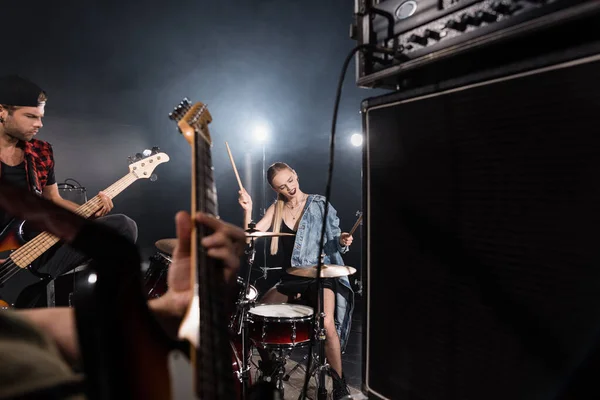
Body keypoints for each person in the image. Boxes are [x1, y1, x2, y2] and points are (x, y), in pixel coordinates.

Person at [0, 208, 247, 399]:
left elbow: (22, 332)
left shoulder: (38, 155)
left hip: (30, 244)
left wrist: (168, 310)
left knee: (120, 226)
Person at [0, 74, 137, 306]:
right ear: (2, 112)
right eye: (30, 116)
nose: (39, 124)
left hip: (37, 248)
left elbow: (53, 199)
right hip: (6, 251)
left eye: (41, 117)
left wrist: (87, 212)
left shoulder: (41, 151)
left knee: (122, 227)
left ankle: (97, 309)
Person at [238, 161, 354, 399]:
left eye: (290, 180)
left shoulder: (319, 204)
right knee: (257, 315)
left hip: (320, 278)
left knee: (327, 324)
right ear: (276, 190)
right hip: (291, 278)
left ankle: (339, 383)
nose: (289, 188)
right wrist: (247, 210)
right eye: (282, 186)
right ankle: (271, 367)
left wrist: (342, 239)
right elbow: (250, 238)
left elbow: (335, 240)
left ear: (295, 175)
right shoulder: (276, 209)